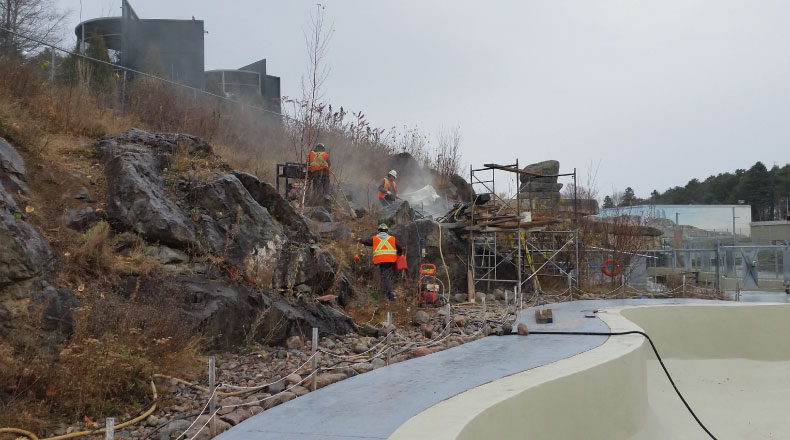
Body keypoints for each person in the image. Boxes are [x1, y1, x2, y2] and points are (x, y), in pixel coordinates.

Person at [359, 224, 403, 301]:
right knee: (385, 275)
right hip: (391, 260)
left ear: (379, 231)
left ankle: (391, 294)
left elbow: (367, 242)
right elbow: (399, 247)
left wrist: (360, 240)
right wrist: (399, 254)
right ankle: (387, 292)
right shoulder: (392, 239)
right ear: (386, 231)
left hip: (381, 260)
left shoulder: (375, 238)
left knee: (385, 276)